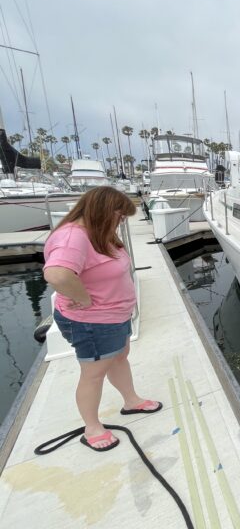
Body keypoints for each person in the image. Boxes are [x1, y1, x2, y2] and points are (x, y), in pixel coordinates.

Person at [43, 186, 162, 452]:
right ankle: (92, 428)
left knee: (119, 357)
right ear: (105, 211)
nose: (121, 222)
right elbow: (57, 274)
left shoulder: (98, 232)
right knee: (93, 374)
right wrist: (83, 298)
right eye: (120, 216)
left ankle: (131, 400)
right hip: (93, 322)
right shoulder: (73, 236)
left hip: (114, 316)